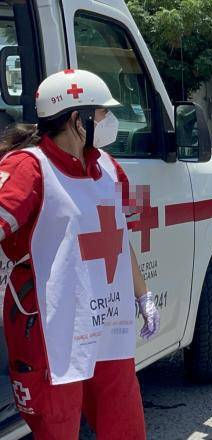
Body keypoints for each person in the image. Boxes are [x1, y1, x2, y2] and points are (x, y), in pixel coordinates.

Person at [0, 69, 159, 438]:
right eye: (102, 113)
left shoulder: (107, 167)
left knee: (125, 428)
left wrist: (143, 293)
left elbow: (117, 240)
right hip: (51, 332)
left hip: (108, 327)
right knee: (58, 430)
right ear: (77, 119)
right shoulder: (27, 167)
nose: (109, 122)